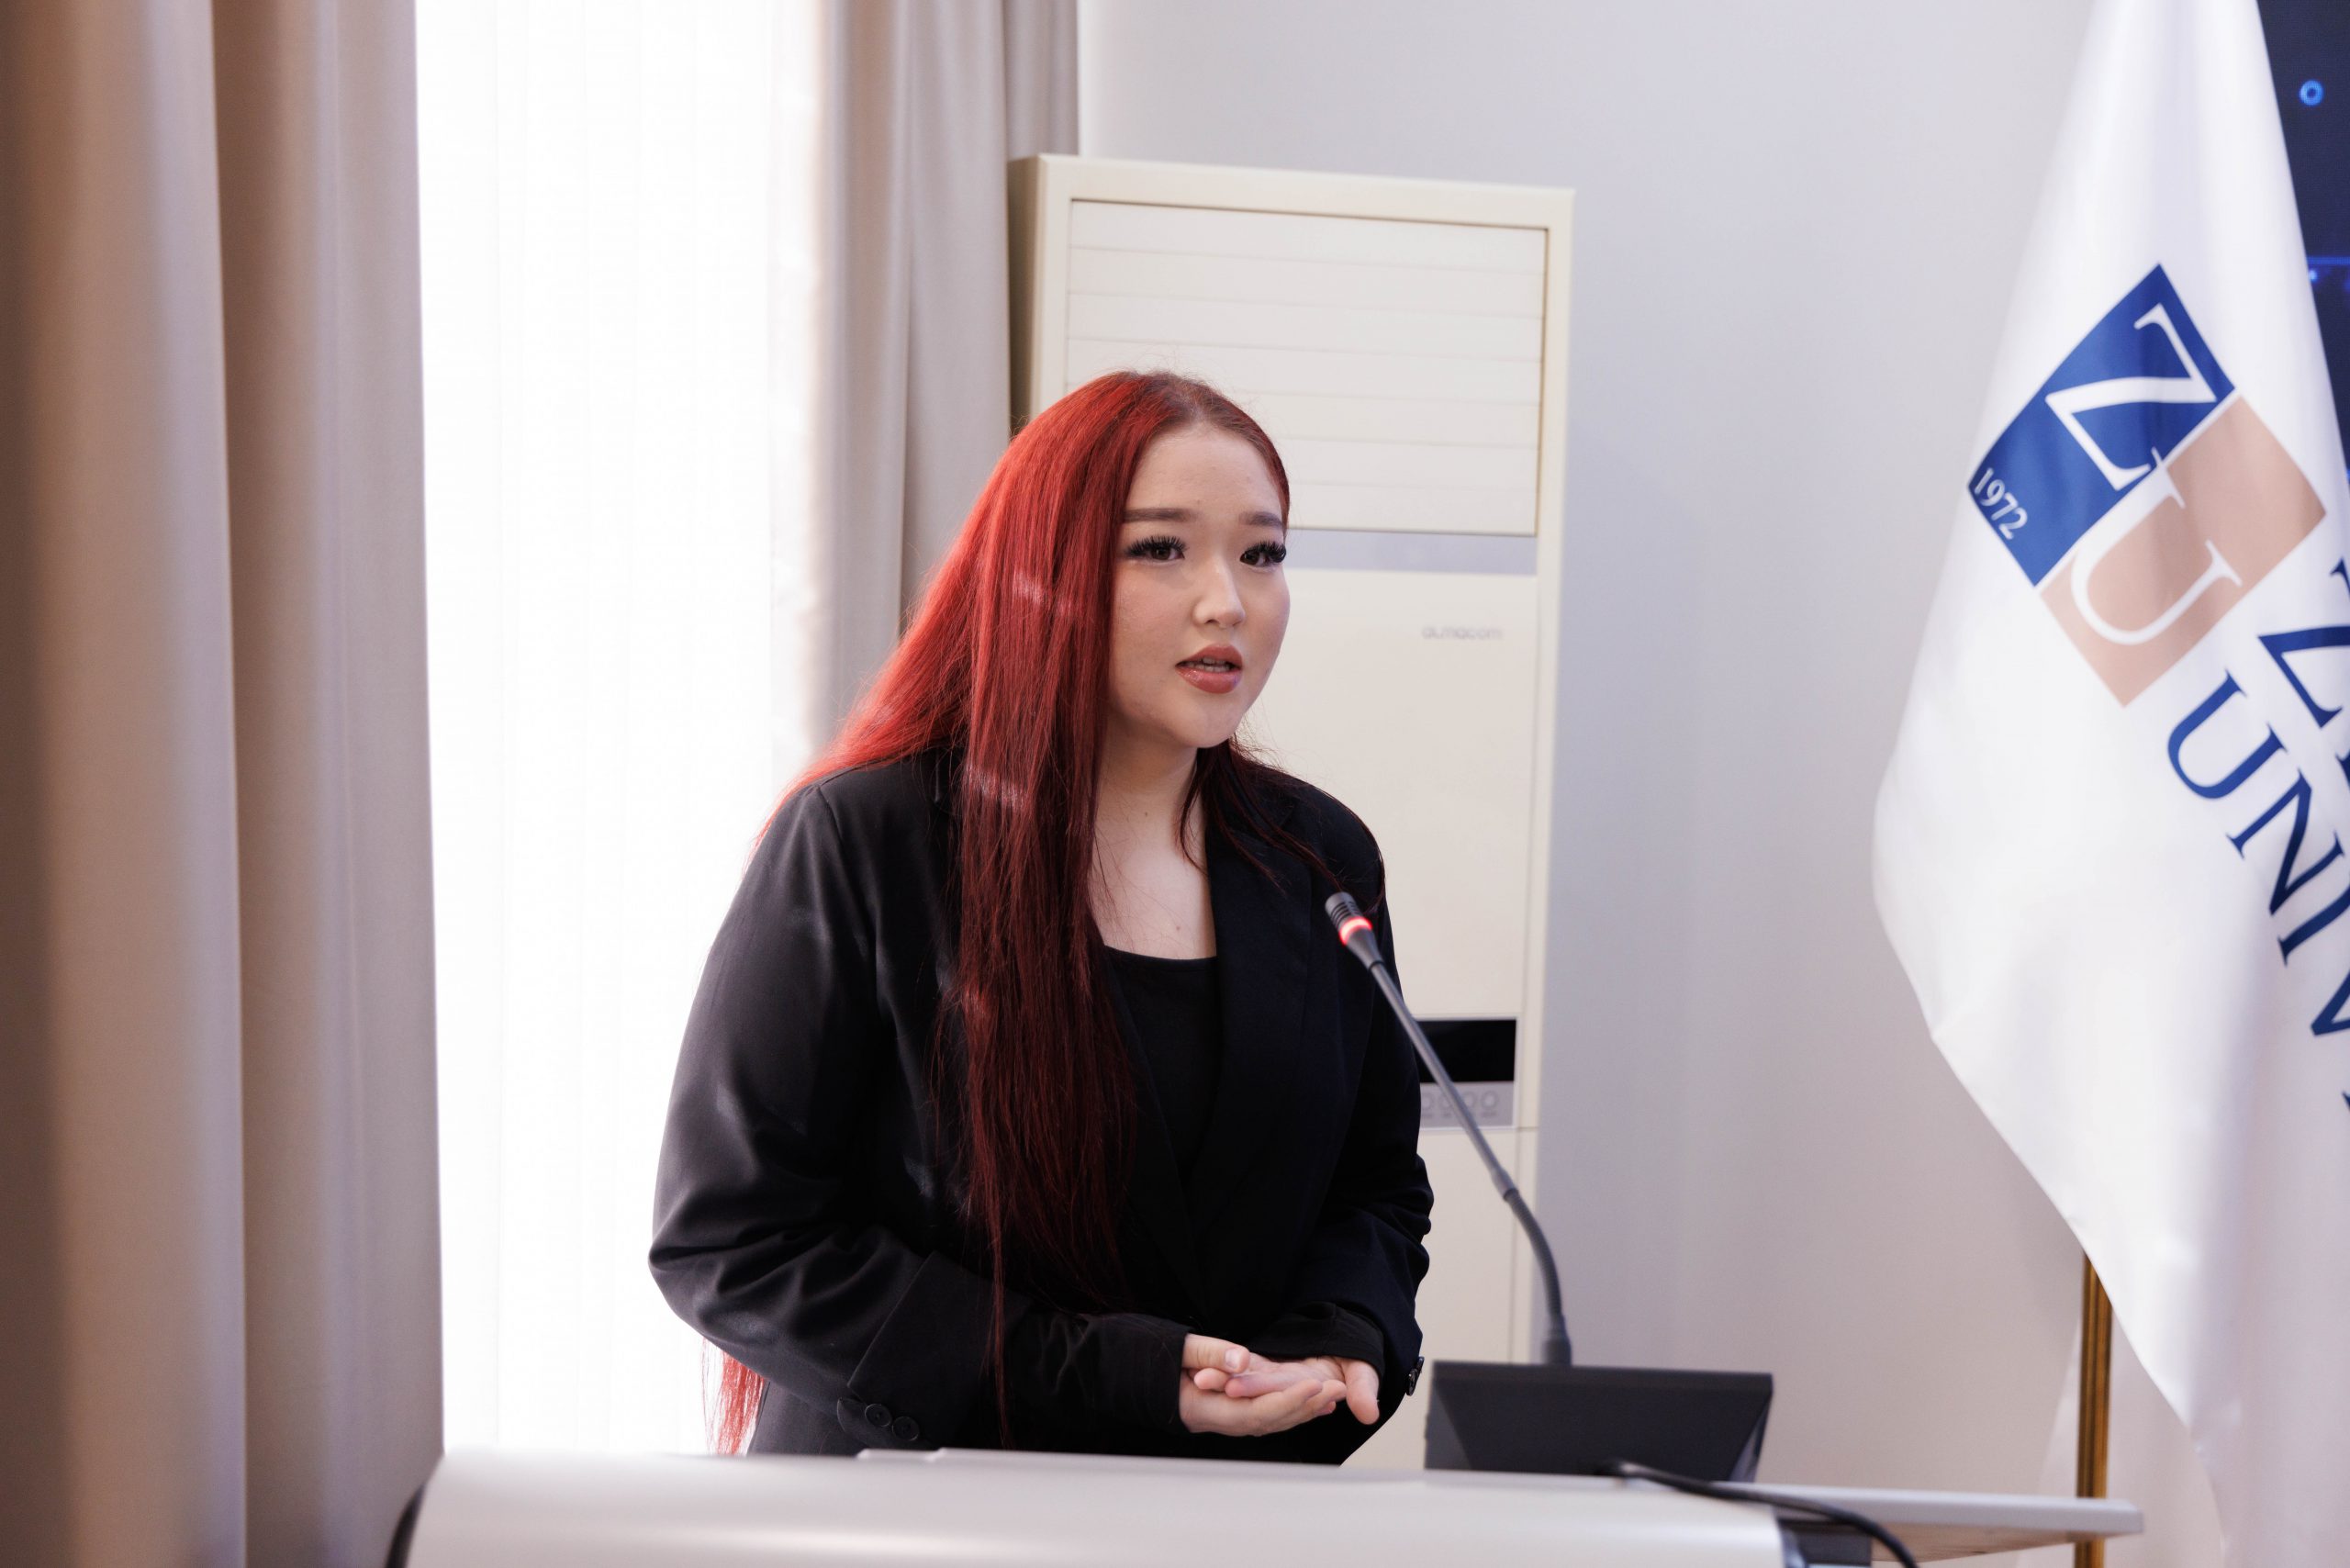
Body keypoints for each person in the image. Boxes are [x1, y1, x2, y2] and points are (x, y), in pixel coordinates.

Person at [648, 370, 1434, 1462]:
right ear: (1039, 572)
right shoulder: (864, 839)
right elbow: (732, 1242)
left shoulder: (1320, 859)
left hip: (1214, 1513)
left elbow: (1375, 1189)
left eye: (1261, 553)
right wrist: (1118, 1377)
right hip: (909, 1508)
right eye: (1160, 548)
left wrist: (1341, 1333)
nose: (1227, 601)